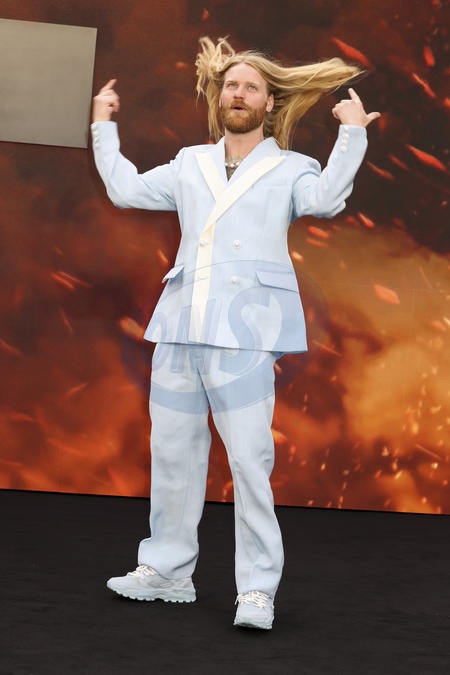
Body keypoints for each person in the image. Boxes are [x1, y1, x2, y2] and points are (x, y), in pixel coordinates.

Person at [91, 36, 380, 630]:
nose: (238, 94)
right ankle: (167, 571)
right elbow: (125, 189)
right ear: (218, 97)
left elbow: (327, 200)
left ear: (270, 103)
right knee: (172, 452)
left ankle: (257, 590)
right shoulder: (190, 162)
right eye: (231, 86)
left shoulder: (291, 167)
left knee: (249, 461)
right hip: (182, 323)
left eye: (251, 86)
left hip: (245, 333)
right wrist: (103, 126)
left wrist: (352, 134)